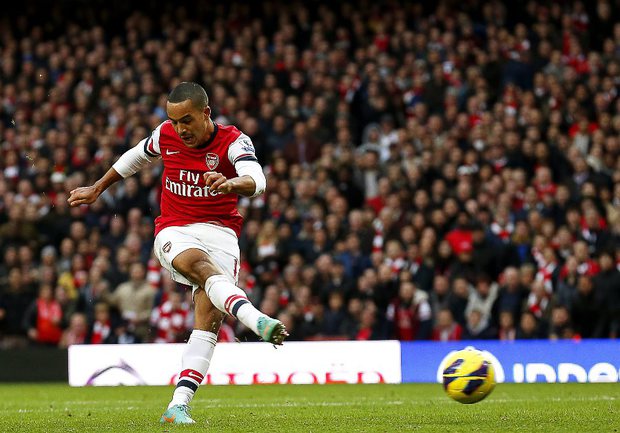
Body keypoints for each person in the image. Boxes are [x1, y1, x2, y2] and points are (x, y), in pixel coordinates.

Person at [68, 82, 288, 424]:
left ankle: (178, 405)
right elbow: (135, 156)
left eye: (187, 120)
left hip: (222, 234)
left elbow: (257, 180)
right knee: (200, 266)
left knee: (208, 321)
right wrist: (98, 187)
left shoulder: (234, 141)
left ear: (206, 113)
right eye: (174, 121)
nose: (180, 129)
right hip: (176, 229)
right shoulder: (165, 134)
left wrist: (231, 183)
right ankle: (253, 318)